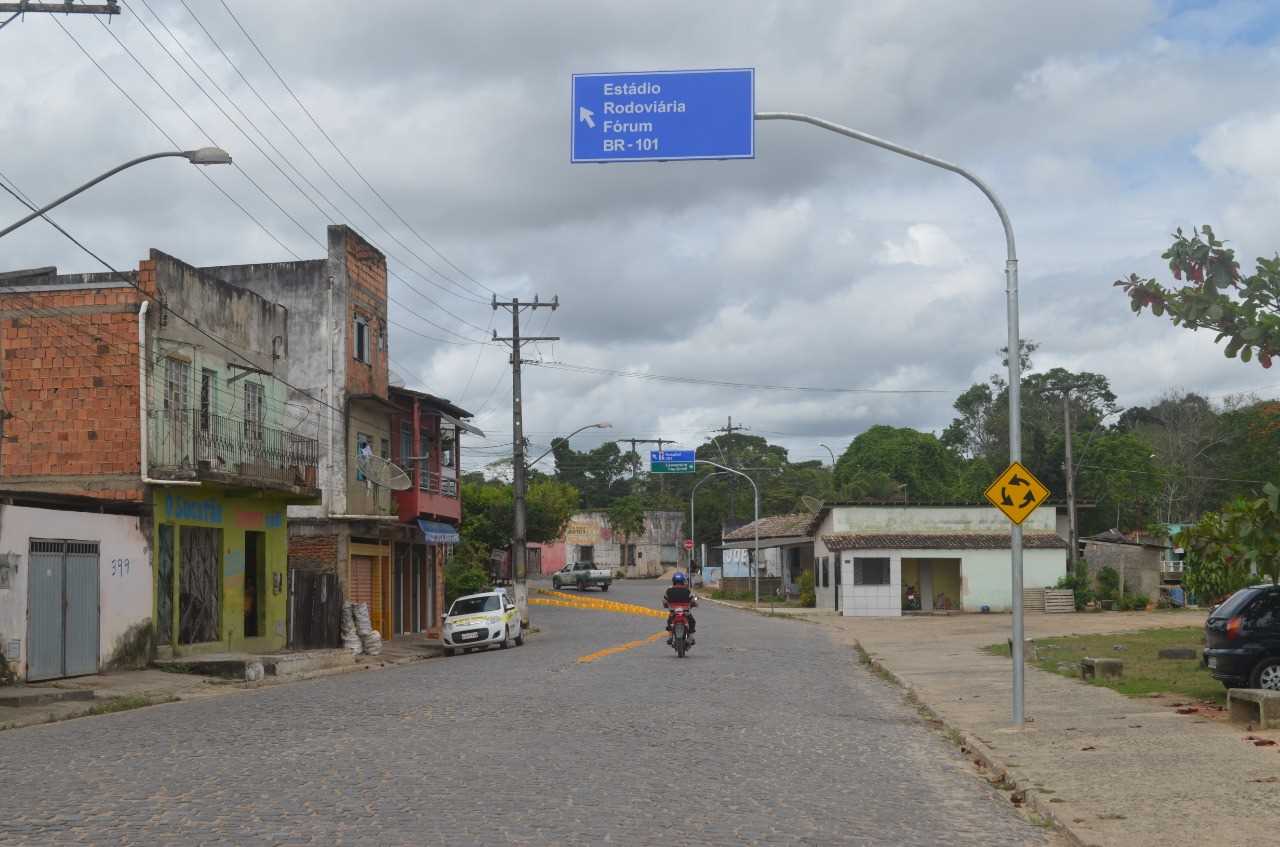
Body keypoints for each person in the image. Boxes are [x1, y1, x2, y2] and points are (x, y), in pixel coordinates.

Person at [663, 572, 697, 638]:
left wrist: (666, 605)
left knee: (669, 621)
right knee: (692, 621)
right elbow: (692, 600)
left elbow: (665, 601)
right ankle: (690, 636)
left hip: (673, 611)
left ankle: (670, 636)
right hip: (685, 611)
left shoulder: (669, 590)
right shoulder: (687, 590)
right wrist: (694, 604)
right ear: (683, 581)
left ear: (673, 581)